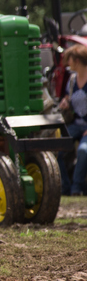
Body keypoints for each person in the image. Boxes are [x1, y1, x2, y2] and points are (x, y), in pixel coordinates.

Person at [58, 43, 87, 196]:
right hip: (75, 125)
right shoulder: (72, 81)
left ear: (76, 60)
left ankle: (77, 187)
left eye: (69, 60)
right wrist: (65, 102)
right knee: (57, 150)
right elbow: (68, 98)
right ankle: (64, 187)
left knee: (83, 151)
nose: (67, 63)